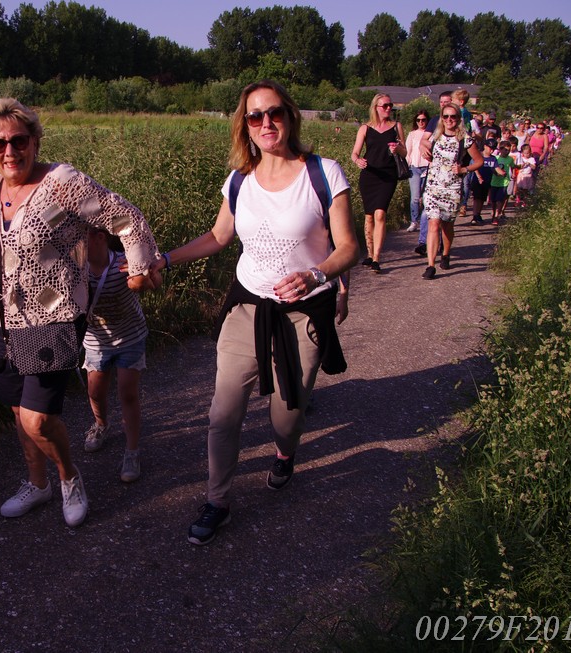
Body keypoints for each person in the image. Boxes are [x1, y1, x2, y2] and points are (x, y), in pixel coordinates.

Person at [152, 81, 358, 546]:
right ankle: (217, 500)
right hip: (247, 307)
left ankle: (285, 454)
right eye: (255, 116)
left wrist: (316, 275)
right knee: (223, 414)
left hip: (302, 313)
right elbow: (218, 236)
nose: (266, 123)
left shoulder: (324, 173)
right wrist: (165, 259)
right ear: (244, 125)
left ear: (290, 115)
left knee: (287, 417)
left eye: (275, 112)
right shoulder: (239, 180)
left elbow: (350, 247)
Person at [0, 98, 161, 527]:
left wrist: (138, 271)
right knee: (17, 411)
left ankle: (69, 478)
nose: (10, 151)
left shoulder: (61, 183)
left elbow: (126, 218)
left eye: (19, 140)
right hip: (2, 319)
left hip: (52, 316)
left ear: (35, 141)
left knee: (38, 419)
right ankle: (37, 483)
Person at [80, 227, 147, 483]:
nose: (75, 242)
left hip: (130, 337)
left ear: (100, 237)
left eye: (81, 237)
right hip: (96, 341)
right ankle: (101, 425)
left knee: (127, 393)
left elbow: (153, 281)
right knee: (95, 391)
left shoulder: (124, 262)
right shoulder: (76, 269)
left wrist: (141, 276)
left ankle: (132, 451)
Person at [420, 104, 483, 280]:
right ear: (441, 118)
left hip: (452, 188)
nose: (449, 120)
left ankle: (446, 253)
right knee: (433, 223)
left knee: (447, 225)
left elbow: (479, 161)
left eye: (453, 116)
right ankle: (430, 265)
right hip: (433, 186)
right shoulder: (436, 135)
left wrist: (464, 169)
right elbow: (423, 142)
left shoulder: (465, 139)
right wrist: (423, 149)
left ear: (458, 118)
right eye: (446, 116)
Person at [351, 93, 405, 273]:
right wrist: (358, 160)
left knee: (380, 214)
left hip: (388, 175)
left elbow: (405, 152)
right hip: (369, 175)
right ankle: (369, 253)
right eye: (385, 106)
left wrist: (398, 149)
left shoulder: (396, 127)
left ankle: (376, 258)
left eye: (390, 105)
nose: (389, 108)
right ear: (376, 107)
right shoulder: (365, 128)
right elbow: (355, 153)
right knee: (369, 216)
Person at [405, 110, 432, 238]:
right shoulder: (412, 134)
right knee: (415, 197)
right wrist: (409, 163)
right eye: (418, 120)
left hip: (428, 167)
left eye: (423, 120)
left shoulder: (431, 134)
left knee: (426, 197)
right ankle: (414, 221)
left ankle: (426, 221)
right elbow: (407, 151)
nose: (421, 122)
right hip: (415, 168)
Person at [469, 139, 498, 225]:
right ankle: (474, 216)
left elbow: (495, 169)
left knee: (482, 199)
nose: (491, 151)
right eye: (490, 148)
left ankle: (478, 214)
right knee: (476, 198)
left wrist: (500, 173)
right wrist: (479, 176)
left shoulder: (493, 158)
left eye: (493, 149)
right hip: (477, 180)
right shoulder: (479, 155)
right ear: (485, 146)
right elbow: (474, 166)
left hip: (487, 180)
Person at [490, 140, 514, 225]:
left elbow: (512, 166)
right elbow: (492, 168)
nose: (507, 152)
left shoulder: (510, 159)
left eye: (509, 150)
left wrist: (513, 173)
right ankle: (493, 213)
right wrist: (496, 173)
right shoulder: (495, 158)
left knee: (500, 200)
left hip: (504, 182)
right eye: (505, 150)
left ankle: (496, 215)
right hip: (494, 182)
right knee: (493, 201)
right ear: (500, 149)